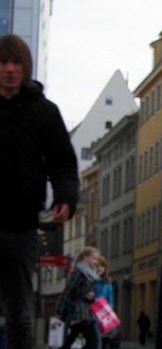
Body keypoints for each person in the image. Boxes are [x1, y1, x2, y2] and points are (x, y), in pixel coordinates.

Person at [0, 33, 78, 348]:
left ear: (26, 67)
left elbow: (63, 162)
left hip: (21, 226)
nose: (9, 69)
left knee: (18, 310)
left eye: (16, 62)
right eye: (3, 62)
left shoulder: (44, 112)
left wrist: (65, 197)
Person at [59, 247, 102, 349]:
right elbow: (68, 290)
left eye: (97, 259)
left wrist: (91, 297)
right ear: (85, 258)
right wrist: (59, 310)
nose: (96, 261)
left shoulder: (91, 273)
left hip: (86, 311)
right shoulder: (79, 271)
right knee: (92, 342)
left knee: (72, 339)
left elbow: (89, 293)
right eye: (94, 258)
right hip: (79, 312)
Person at [93, 257, 115, 349]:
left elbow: (110, 300)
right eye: (97, 266)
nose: (99, 268)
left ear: (105, 268)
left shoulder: (107, 283)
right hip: (88, 314)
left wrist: (108, 313)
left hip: (101, 315)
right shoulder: (89, 281)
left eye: (102, 266)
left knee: (99, 340)